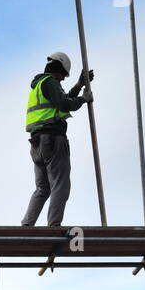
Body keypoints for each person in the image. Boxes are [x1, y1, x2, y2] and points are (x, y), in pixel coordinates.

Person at [21, 51, 93, 227]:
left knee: (42, 188)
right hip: (52, 140)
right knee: (60, 185)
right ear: (58, 69)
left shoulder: (39, 85)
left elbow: (61, 99)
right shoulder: (50, 82)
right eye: (63, 75)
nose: (62, 79)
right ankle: (54, 225)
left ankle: (27, 225)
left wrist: (78, 85)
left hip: (37, 143)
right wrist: (83, 99)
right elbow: (64, 104)